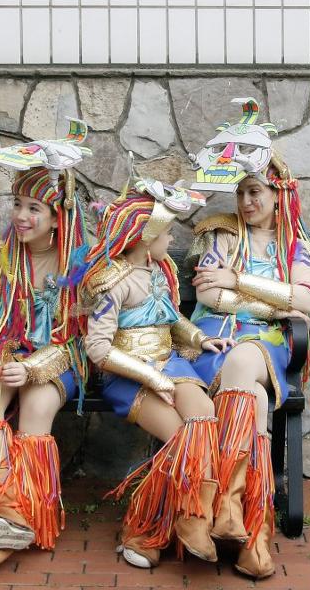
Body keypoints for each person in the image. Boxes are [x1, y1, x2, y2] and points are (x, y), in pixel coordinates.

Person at [187, 98, 310, 579]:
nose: (247, 202)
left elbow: (303, 304)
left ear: (279, 193)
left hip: (270, 348)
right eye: (242, 192)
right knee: (254, 398)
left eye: (257, 191)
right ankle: (248, 525)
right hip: (214, 346)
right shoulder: (217, 235)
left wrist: (239, 282)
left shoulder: (293, 245)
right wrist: (273, 302)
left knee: (249, 359)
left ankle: (227, 511)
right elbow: (210, 297)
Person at [78, 170, 230, 569]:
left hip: (172, 362)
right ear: (146, 238)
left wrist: (198, 339)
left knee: (204, 417)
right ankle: (143, 528)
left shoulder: (159, 275)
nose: (173, 241)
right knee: (181, 437)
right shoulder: (113, 283)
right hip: (129, 377)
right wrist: (152, 378)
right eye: (167, 234)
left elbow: (171, 319)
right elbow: (97, 348)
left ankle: (193, 517)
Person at [0, 123, 92, 570]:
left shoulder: (76, 264)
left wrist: (35, 368)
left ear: (58, 216)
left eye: (34, 207)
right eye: (17, 204)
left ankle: (7, 516)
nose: (22, 216)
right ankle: (2, 516)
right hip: (8, 354)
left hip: (58, 364)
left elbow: (77, 337)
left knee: (36, 404)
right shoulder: (1, 259)